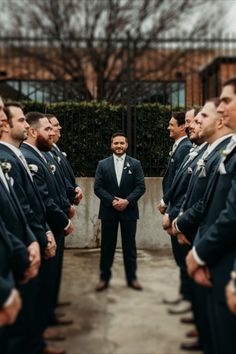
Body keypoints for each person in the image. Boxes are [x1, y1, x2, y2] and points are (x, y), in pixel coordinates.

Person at [172, 98, 233, 353]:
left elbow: (224, 212)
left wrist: (186, 229)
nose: (194, 124)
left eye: (201, 118)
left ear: (221, 121)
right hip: (201, 239)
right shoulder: (214, 151)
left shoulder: (225, 153)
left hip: (216, 250)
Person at [186, 78, 236, 354]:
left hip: (225, 264)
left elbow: (230, 215)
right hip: (217, 259)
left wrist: (200, 253)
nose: (222, 107)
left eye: (226, 100)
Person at [94, 132, 145, 291]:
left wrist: (127, 201)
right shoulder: (103, 164)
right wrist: (113, 201)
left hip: (129, 211)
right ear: (111, 145)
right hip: (109, 211)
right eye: (116, 143)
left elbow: (141, 187)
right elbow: (98, 188)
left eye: (122, 143)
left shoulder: (135, 164)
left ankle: (132, 278)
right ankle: (104, 278)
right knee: (107, 247)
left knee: (129, 246)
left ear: (126, 145)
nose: (119, 146)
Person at [159, 110, 192, 307]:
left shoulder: (185, 147)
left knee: (183, 256)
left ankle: (188, 298)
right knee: (180, 257)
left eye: (172, 124)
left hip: (178, 210)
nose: (168, 127)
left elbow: (183, 185)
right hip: (172, 206)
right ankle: (185, 295)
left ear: (182, 127)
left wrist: (170, 208)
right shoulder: (179, 147)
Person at [46, 113, 82, 205]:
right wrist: (72, 194)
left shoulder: (55, 149)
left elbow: (65, 175)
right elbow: (57, 180)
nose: (60, 127)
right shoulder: (46, 151)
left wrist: (76, 187)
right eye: (56, 125)